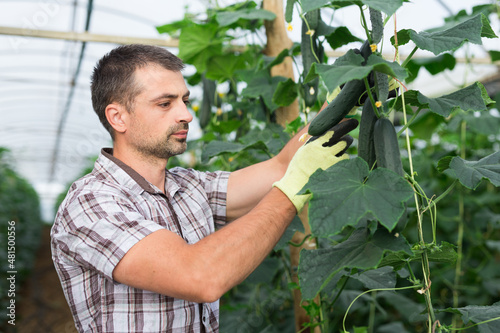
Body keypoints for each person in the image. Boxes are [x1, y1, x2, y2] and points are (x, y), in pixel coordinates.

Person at [50, 44, 357, 333]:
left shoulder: (188, 186)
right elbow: (200, 276)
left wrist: (344, 97)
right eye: (165, 103)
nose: (186, 114)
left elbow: (279, 167)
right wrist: (290, 192)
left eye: (184, 100)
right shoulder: (92, 203)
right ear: (118, 117)